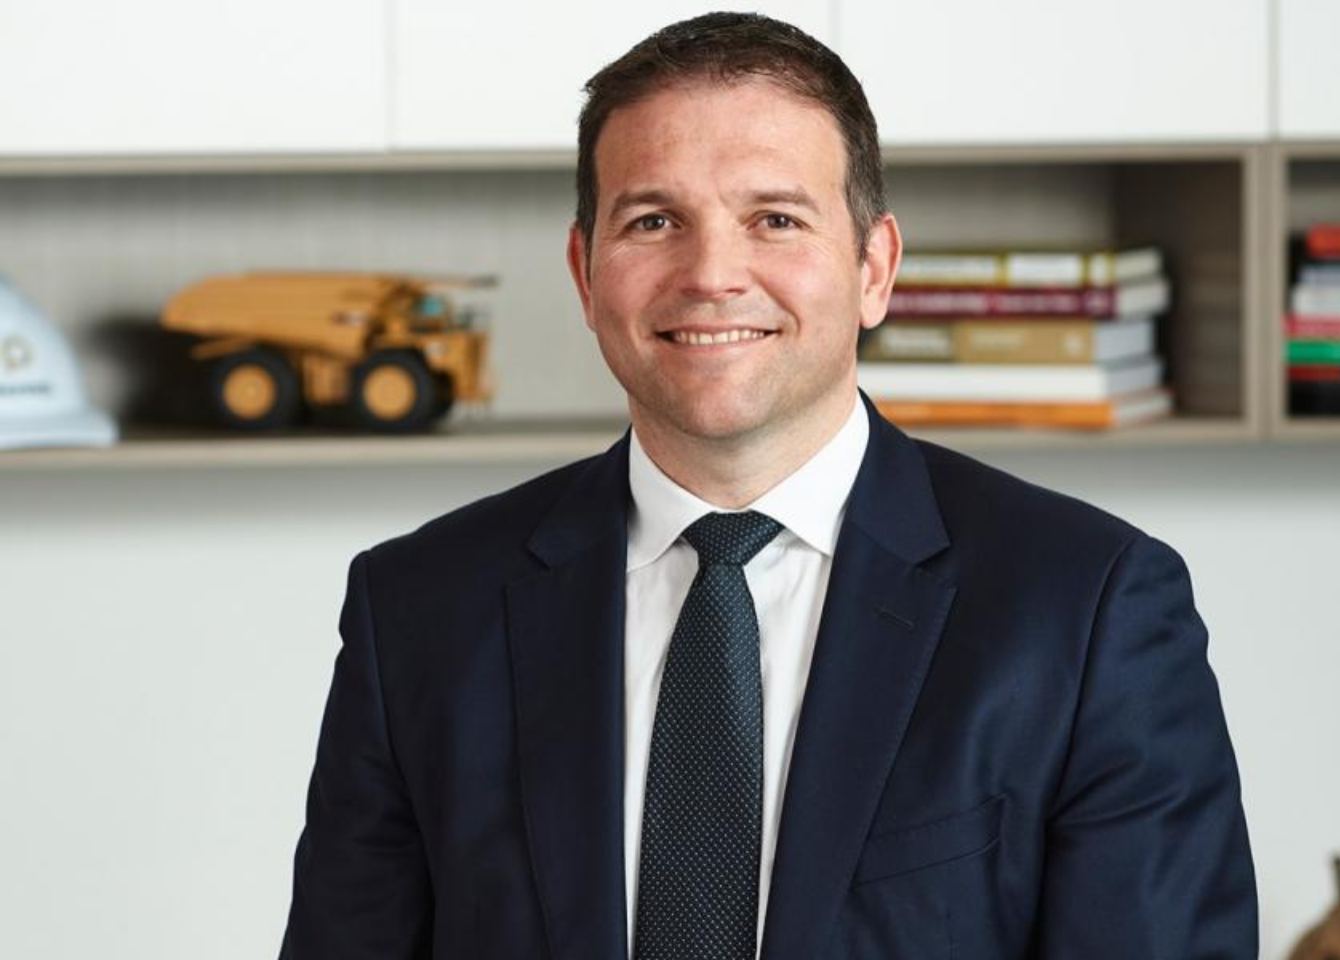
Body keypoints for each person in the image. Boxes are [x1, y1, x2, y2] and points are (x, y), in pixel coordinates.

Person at [280, 12, 1257, 959]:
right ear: (585, 273)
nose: (712, 274)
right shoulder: (416, 611)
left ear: (874, 268)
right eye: (654, 221)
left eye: (775, 219)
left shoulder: (1088, 610)